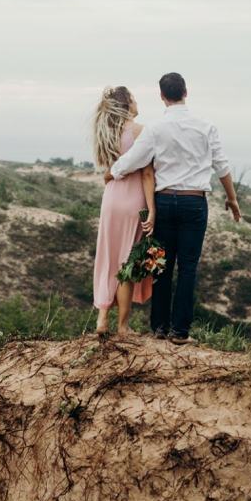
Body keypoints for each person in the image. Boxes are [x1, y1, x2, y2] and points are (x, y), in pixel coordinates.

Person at [107, 72, 241, 344]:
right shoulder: (206, 126)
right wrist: (232, 198)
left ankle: (159, 329)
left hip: (165, 201)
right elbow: (222, 166)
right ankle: (180, 333)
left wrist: (112, 172)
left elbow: (133, 159)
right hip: (194, 202)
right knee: (188, 268)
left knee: (161, 267)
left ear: (161, 96)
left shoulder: (155, 128)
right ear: (186, 92)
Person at [90, 86, 156, 336]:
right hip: (133, 201)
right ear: (127, 104)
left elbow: (110, 169)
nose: (137, 102)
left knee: (107, 259)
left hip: (111, 199)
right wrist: (152, 209)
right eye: (134, 98)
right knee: (127, 263)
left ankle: (102, 320)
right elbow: (148, 173)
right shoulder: (141, 132)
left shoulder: (107, 132)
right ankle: (123, 326)